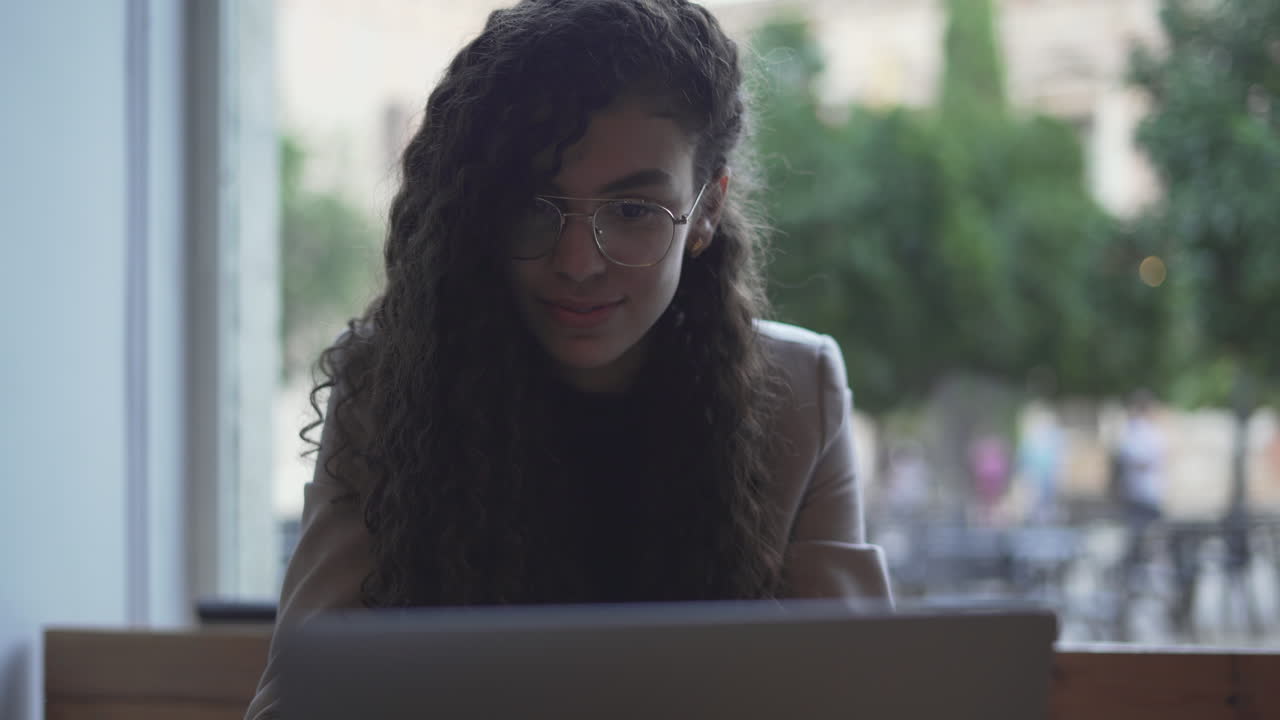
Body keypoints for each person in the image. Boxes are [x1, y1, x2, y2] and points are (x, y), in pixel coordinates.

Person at [246, 1, 892, 717]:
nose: (579, 262)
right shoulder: (390, 387)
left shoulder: (801, 394)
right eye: (535, 207)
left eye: (635, 212)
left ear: (705, 211)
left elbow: (858, 693)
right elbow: (295, 705)